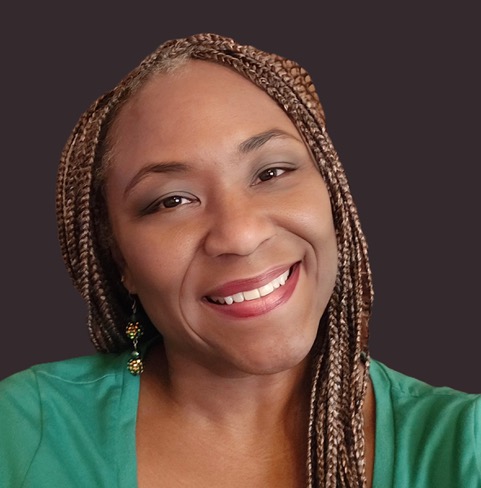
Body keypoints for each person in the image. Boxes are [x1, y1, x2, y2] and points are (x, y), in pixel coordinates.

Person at [0, 33, 479, 488]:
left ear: (333, 195)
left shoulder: (466, 446)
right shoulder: (23, 433)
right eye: (171, 201)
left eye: (272, 172)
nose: (241, 235)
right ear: (120, 260)